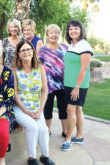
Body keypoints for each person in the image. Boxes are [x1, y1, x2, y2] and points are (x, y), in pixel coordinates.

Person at [12, 40, 55, 165]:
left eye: (28, 49)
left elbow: (45, 89)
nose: (26, 52)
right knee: (33, 127)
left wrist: (40, 109)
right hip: (20, 108)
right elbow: (14, 93)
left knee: (44, 129)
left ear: (33, 51)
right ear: (19, 54)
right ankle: (32, 158)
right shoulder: (15, 70)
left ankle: (45, 156)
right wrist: (26, 111)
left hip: (36, 107)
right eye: (23, 50)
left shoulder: (40, 67)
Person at [61, 20, 93, 151]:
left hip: (77, 85)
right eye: (70, 29)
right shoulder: (72, 45)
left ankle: (68, 139)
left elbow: (84, 68)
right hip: (69, 83)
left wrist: (77, 87)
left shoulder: (84, 46)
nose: (73, 31)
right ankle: (79, 136)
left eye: (76, 28)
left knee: (70, 110)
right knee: (78, 109)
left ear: (81, 30)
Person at [38, 24, 68, 137]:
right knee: (48, 108)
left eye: (56, 32)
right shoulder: (42, 50)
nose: (53, 35)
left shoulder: (65, 48)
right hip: (48, 85)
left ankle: (65, 130)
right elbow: (39, 67)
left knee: (63, 108)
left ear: (59, 34)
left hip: (63, 85)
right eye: (51, 32)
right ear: (47, 34)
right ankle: (47, 130)